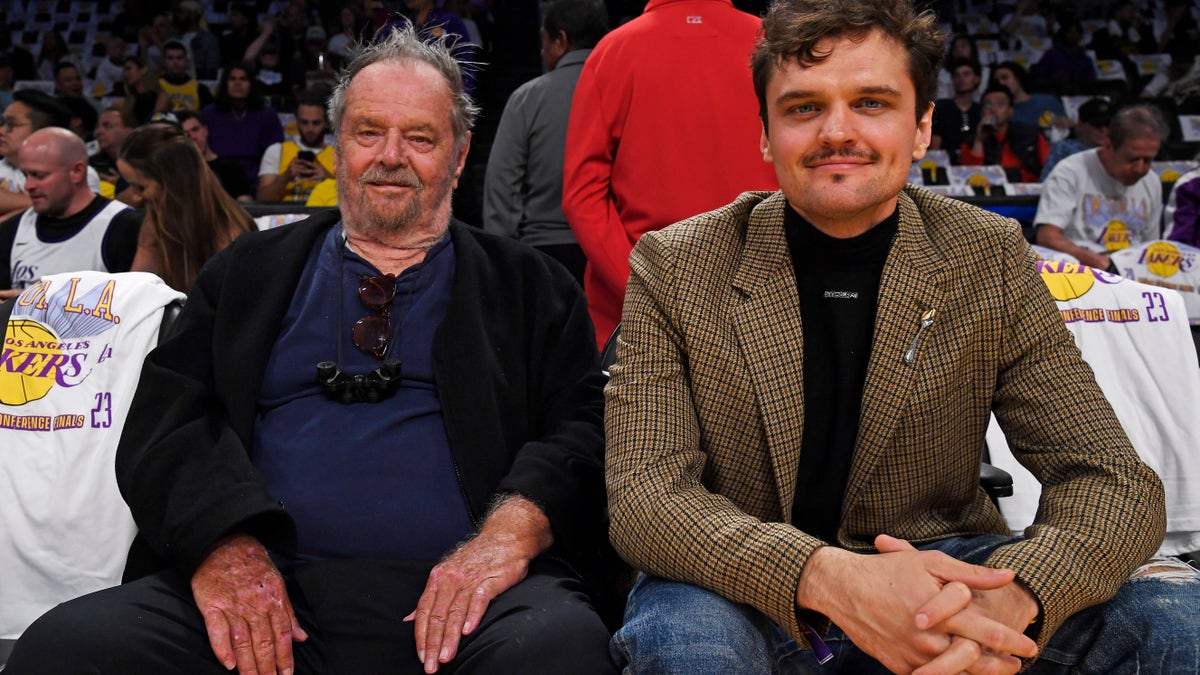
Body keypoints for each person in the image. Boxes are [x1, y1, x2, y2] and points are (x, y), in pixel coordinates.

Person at [604, 0, 1199, 672]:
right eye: (803, 108)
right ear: (766, 135)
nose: (837, 131)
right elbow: (644, 496)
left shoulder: (987, 252)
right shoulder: (676, 263)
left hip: (943, 574)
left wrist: (1017, 599)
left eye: (871, 103)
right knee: (685, 645)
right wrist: (829, 576)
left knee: (1177, 620)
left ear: (920, 129)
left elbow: (1114, 479)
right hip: (740, 584)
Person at [5, 24, 616, 675]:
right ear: (336, 145)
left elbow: (582, 432)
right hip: (263, 592)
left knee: (563, 649)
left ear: (460, 157)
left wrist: (507, 535)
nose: (390, 155)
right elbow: (169, 421)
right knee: (66, 649)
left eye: (420, 137)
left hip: (473, 603)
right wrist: (224, 543)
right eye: (368, 132)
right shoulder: (249, 271)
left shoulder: (530, 285)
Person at [562, 0, 779, 347]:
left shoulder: (612, 51)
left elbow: (581, 196)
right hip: (758, 293)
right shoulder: (771, 43)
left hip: (636, 308)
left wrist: (641, 284)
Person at [482, 0, 607, 286]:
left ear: (560, 40)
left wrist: (503, 255)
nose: (542, 51)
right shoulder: (625, 94)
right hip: (611, 254)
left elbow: (503, 183)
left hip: (542, 255)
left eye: (544, 41)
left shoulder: (527, 98)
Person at [0, 127, 140, 299]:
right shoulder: (12, 230)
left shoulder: (124, 226)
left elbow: (134, 309)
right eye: (25, 175)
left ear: (77, 172)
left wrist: (36, 303)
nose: (28, 185)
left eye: (39, 175)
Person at [116, 122, 254, 292]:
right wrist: (147, 246)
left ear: (173, 183)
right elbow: (136, 294)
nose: (135, 197)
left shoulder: (232, 237)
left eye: (141, 187)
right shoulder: (156, 220)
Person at [1034, 104, 1166, 271]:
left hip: (1132, 274)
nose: (1140, 169)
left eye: (1148, 160)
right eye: (1132, 159)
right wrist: (1098, 262)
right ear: (1108, 145)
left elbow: (1150, 244)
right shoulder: (1070, 172)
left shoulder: (1151, 181)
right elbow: (1047, 236)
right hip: (1083, 271)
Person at [1, 90, 101, 221]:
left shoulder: (77, 173)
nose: (1, 131)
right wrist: (43, 204)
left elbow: (65, 223)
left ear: (42, 132)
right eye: (2, 123)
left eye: (11, 125)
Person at [199, 62, 285, 187]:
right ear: (225, 84)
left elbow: (275, 152)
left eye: (243, 79)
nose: (237, 83)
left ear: (251, 84)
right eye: (232, 79)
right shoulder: (208, 114)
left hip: (256, 176)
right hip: (216, 175)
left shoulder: (267, 115)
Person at [959, 85, 1049, 183]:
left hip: (1027, 194)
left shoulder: (1031, 135)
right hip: (989, 194)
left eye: (1000, 104)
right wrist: (979, 141)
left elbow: (1049, 168)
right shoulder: (970, 142)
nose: (993, 109)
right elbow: (970, 177)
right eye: (988, 105)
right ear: (982, 111)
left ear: (1010, 110)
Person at [257, 91, 334, 202]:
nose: (310, 129)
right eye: (304, 122)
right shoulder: (277, 151)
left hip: (323, 217)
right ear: (296, 121)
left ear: (326, 122)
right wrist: (286, 176)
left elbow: (352, 201)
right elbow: (262, 199)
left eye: (316, 123)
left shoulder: (337, 156)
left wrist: (328, 178)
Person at [176, 109, 255, 202]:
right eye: (186, 134)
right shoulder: (176, 173)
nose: (193, 137)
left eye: (195, 129)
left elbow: (246, 206)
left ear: (205, 130)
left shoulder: (232, 169)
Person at [989, 61, 1069, 142]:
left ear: (1018, 78)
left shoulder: (1049, 101)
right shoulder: (999, 112)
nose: (1000, 83)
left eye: (1004, 77)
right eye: (997, 81)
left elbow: (1068, 129)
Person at [1039, 96, 1112, 180]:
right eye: (1097, 124)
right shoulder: (1064, 149)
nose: (1104, 130)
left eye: (1108, 125)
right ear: (1080, 125)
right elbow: (1047, 181)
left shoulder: (1119, 149)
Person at [929, 58, 982, 164]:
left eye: (966, 74)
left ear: (976, 79)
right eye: (957, 75)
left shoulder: (981, 109)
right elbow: (935, 142)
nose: (961, 79)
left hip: (975, 163)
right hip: (945, 163)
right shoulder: (942, 106)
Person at [90, 105, 135, 202]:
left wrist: (120, 183)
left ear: (129, 130)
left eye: (107, 126)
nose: (98, 132)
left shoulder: (144, 161)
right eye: (98, 126)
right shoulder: (91, 164)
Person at [158, 40, 214, 112]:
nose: (175, 62)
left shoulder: (200, 89)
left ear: (186, 60)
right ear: (164, 61)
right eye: (170, 58)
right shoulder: (156, 86)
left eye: (179, 58)